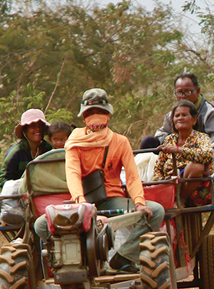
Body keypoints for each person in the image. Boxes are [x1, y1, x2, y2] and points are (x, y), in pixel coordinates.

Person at [34, 89, 164, 273]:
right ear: (83, 117)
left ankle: (124, 257)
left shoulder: (120, 142)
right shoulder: (74, 142)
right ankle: (72, 260)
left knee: (156, 211)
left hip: (113, 199)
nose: (96, 117)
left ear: (108, 115)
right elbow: (73, 174)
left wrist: (140, 203)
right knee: (40, 224)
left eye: (100, 112)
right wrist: (82, 205)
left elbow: (133, 176)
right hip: (82, 202)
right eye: (90, 113)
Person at [155, 73, 214, 170]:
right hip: (174, 164)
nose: (183, 96)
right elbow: (163, 133)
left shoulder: (209, 113)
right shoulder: (171, 115)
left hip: (201, 162)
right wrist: (161, 145)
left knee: (195, 167)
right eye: (180, 92)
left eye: (188, 92)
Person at [154, 100, 214, 206]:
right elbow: (158, 167)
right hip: (171, 186)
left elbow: (208, 155)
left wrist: (179, 150)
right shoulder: (169, 139)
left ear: (194, 120)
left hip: (198, 188)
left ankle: (181, 200)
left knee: (196, 166)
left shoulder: (201, 137)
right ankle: (173, 198)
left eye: (184, 115)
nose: (180, 118)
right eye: (177, 115)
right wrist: (160, 185)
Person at [0, 109, 53, 187]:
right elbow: (2, 180)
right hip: (19, 195)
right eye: (33, 126)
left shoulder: (49, 149)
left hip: (45, 192)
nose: (38, 129)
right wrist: (20, 185)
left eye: (40, 126)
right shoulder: (16, 152)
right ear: (25, 131)